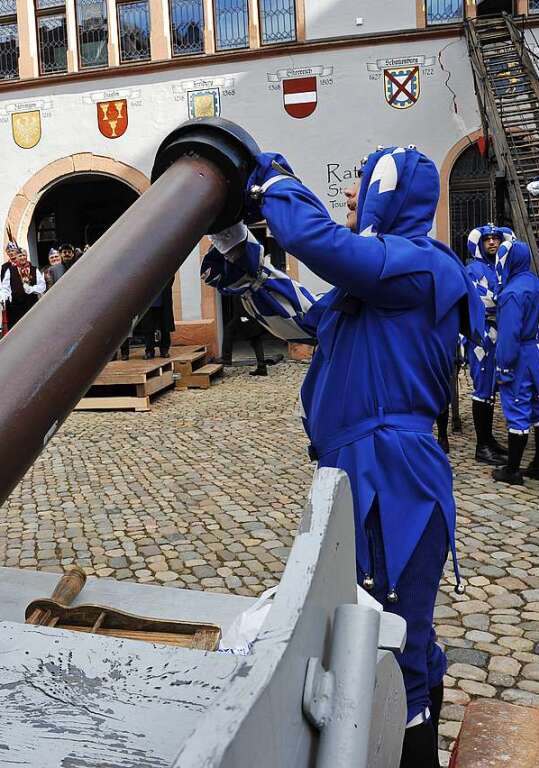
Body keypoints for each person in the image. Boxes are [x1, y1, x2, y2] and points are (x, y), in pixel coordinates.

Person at [202, 146, 484, 767]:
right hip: (358, 470)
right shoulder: (372, 285)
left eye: (363, 186)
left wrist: (272, 177)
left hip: (396, 476)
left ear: (392, 193)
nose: (353, 198)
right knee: (362, 630)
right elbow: (297, 319)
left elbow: (316, 240)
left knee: (392, 640)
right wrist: (233, 241)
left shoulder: (422, 267)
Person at [492, 241, 539, 485]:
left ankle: (512, 470)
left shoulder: (512, 292)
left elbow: (509, 336)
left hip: (521, 354)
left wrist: (503, 367)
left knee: (518, 408)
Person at [465, 224, 514, 466]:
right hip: (481, 335)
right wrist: (505, 298)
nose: (492, 243)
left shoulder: (502, 267)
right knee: (483, 387)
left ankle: (489, 439)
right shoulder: (473, 269)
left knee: (491, 388)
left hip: (499, 333)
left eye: (496, 238)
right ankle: (482, 445)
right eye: (487, 240)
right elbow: (484, 301)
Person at [219, 293, 270, 376]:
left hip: (244, 315)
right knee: (255, 339)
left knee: (229, 330)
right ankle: (262, 367)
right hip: (248, 314)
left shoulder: (241, 286)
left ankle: (226, 358)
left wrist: (242, 317)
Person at [0, 244, 45, 328]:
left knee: (33, 326)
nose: (22, 257)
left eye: (24, 255)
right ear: (16, 258)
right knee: (18, 327)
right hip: (16, 306)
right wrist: (4, 296)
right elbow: (5, 287)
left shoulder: (34, 269)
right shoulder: (10, 270)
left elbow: (42, 285)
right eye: (20, 256)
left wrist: (31, 289)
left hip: (32, 304)